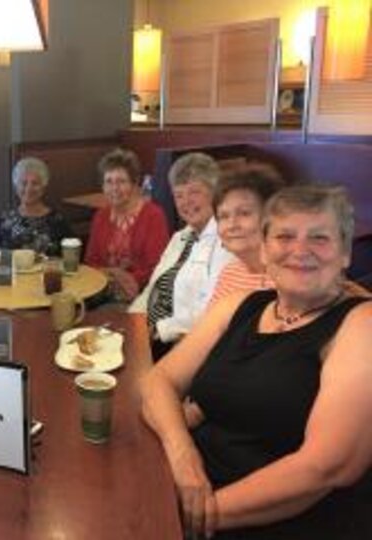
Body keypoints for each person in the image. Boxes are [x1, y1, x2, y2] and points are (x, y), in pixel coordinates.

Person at [141, 185, 372, 540]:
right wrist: (183, 457)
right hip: (187, 483)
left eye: (320, 237)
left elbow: (325, 467)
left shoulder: (361, 324)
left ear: (345, 254)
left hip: (271, 520)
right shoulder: (239, 305)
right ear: (264, 249)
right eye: (284, 236)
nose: (300, 250)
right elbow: (159, 381)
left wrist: (193, 515)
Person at [129, 152, 233, 361]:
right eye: (179, 195)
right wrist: (132, 321)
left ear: (215, 194)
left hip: (180, 346)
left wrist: (158, 330)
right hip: (148, 333)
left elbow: (208, 311)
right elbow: (152, 288)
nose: (186, 202)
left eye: (194, 192)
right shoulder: (180, 237)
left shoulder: (226, 243)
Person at [84, 148, 170, 301]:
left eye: (121, 181)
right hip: (103, 290)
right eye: (108, 182)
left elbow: (157, 267)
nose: (114, 188)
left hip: (142, 295)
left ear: (134, 183)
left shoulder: (153, 215)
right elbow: (91, 262)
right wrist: (111, 277)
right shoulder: (101, 216)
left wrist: (126, 280)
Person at [209, 164, 285, 304]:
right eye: (224, 216)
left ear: (272, 217)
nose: (232, 225)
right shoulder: (230, 273)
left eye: (244, 213)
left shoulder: (291, 278)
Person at [0, 157, 73, 256]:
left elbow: (70, 256)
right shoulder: (4, 220)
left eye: (35, 183)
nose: (28, 189)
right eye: (23, 183)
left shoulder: (58, 221)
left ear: (43, 186)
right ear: (16, 187)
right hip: (14, 271)